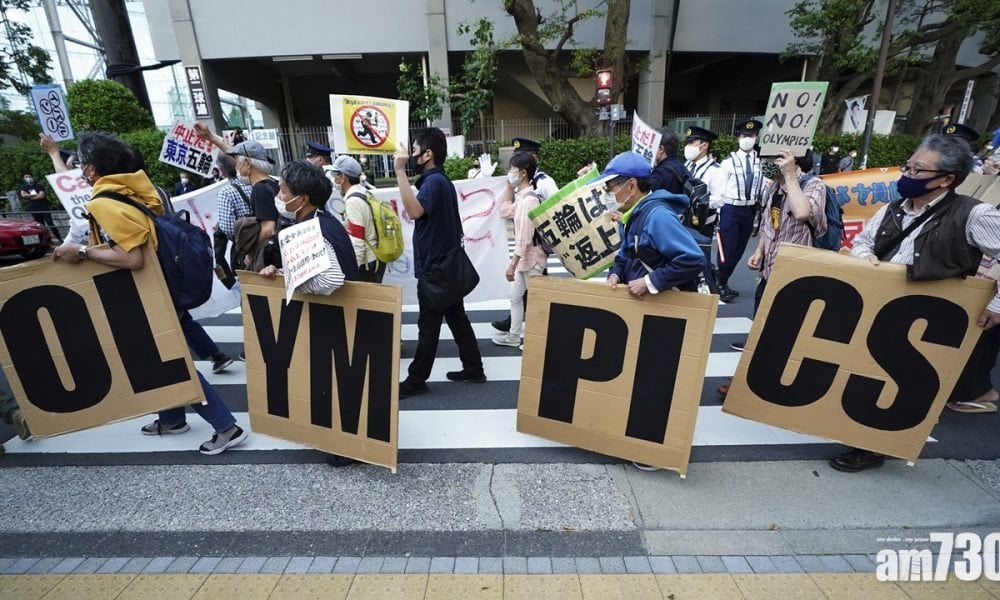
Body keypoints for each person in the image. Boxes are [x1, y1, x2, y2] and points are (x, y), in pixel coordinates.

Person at [52, 132, 247, 455]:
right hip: (161, 289)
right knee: (160, 360)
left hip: (147, 295)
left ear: (91, 170)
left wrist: (84, 252)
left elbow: (133, 257)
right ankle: (171, 419)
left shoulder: (104, 202)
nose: (80, 172)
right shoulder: (136, 192)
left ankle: (226, 425)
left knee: (169, 364)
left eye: (81, 165)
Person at [829, 134, 1000, 472]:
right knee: (870, 373)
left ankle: (875, 444)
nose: (907, 174)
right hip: (883, 305)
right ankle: (864, 434)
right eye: (908, 165)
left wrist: (997, 304)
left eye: (917, 169)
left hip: (933, 316)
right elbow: (863, 241)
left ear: (946, 179)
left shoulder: (973, 214)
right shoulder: (893, 209)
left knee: (905, 380)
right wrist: (867, 258)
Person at [257, 160, 360, 467]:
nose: (278, 193)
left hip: (334, 317)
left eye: (283, 189)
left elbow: (330, 280)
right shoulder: (319, 221)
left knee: (336, 380)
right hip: (338, 316)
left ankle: (348, 446)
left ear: (301, 198)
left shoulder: (313, 229)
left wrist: (293, 280)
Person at [393, 128, 486, 398]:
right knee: (457, 318)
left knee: (428, 327)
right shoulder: (438, 181)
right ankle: (474, 369)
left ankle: (416, 379)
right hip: (445, 266)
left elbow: (413, 211)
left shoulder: (433, 183)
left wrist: (400, 172)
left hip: (436, 270)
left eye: (414, 150)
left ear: (428, 154)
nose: (411, 155)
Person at [493, 137, 558, 334]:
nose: (510, 172)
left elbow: (525, 237)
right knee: (517, 297)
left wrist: (512, 264)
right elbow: (506, 212)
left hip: (534, 253)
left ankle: (538, 338)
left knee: (536, 300)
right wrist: (509, 188)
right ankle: (515, 333)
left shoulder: (541, 186)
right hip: (524, 258)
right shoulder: (522, 195)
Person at [716, 119, 764, 302]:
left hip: (750, 209)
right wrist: (718, 212)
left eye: (751, 136)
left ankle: (725, 280)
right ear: (738, 137)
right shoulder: (728, 162)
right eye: (744, 136)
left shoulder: (761, 161)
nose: (747, 139)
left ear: (757, 137)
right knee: (727, 249)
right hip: (731, 208)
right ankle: (720, 281)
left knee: (739, 249)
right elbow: (720, 188)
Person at [684, 126, 727, 294]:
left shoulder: (716, 171)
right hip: (684, 221)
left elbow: (720, 199)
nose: (689, 146)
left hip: (702, 223)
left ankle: (710, 293)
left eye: (692, 142)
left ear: (704, 145)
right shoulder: (686, 165)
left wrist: (700, 203)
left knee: (701, 260)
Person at [332, 155, 385, 282]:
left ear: (343, 177)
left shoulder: (353, 202)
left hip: (366, 265)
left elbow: (357, 241)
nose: (334, 180)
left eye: (335, 176)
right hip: (376, 258)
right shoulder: (365, 193)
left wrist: (351, 272)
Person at [20, 173, 62, 243]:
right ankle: (45, 240)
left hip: (43, 207)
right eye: (26, 177)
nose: (28, 178)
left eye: (29, 176)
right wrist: (35, 195)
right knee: (40, 225)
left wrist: (30, 196)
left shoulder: (39, 186)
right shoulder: (24, 187)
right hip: (34, 209)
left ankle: (59, 238)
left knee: (50, 223)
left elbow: (41, 196)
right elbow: (23, 195)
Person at [649, 128, 689, 196]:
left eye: (652, 145)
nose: (650, 148)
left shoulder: (659, 174)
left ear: (661, 149)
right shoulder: (682, 167)